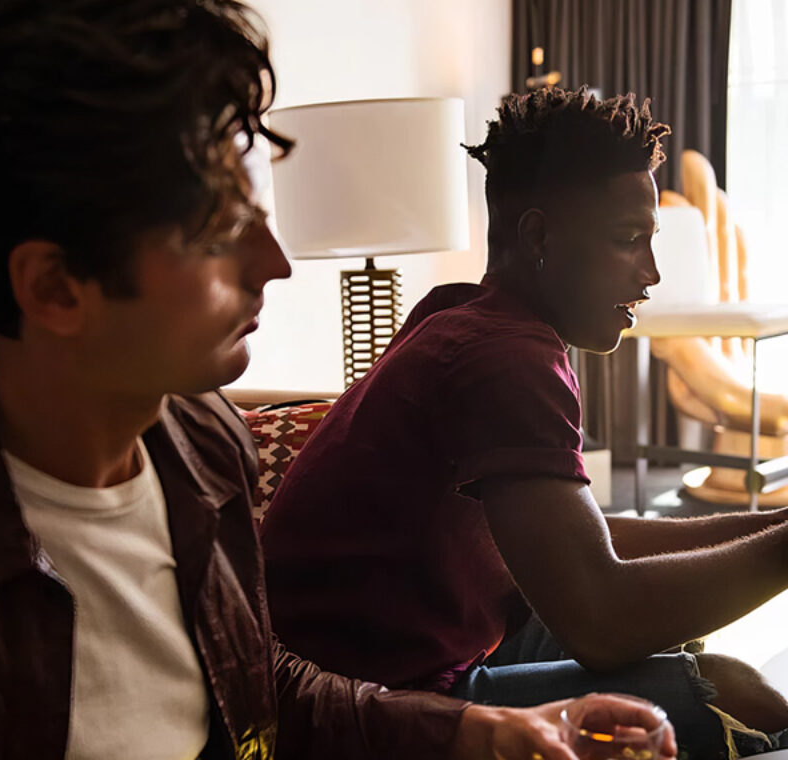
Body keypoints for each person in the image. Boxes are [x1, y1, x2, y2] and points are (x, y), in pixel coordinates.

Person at [0, 0, 681, 759]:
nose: (275, 263)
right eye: (219, 230)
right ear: (55, 288)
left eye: (260, 215)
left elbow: (259, 689)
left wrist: (482, 731)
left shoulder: (200, 448)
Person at [260, 88, 788, 757]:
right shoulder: (503, 359)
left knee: (682, 617)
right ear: (538, 235)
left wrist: (776, 525)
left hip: (422, 643)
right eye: (629, 241)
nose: (651, 274)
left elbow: (583, 540)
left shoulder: (460, 317)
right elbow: (601, 620)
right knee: (738, 692)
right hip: (372, 702)